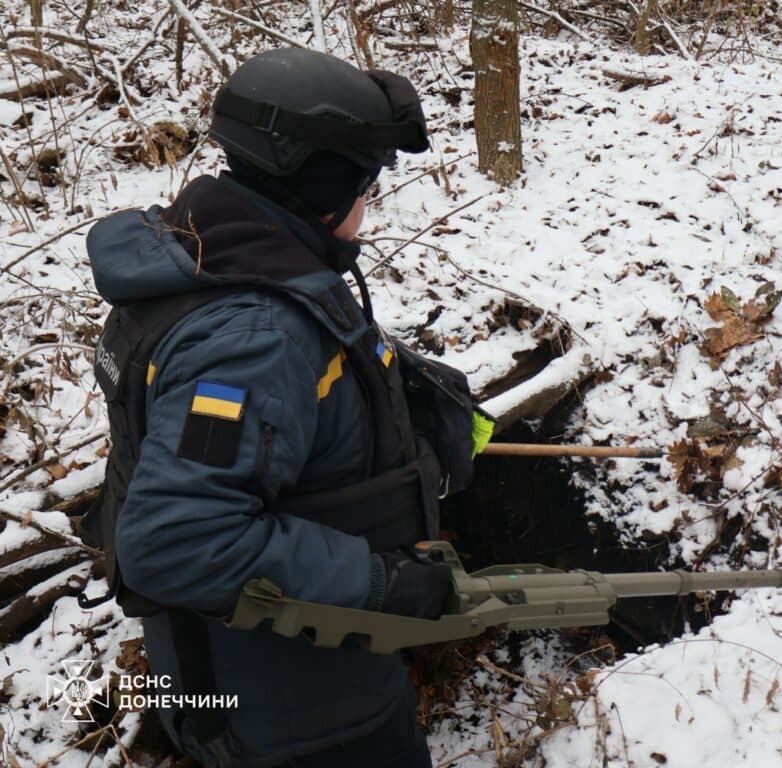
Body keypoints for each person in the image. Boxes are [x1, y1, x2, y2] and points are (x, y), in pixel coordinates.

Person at [80, 48, 487, 768]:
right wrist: (382, 582)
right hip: (302, 717)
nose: (370, 206)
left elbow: (267, 415)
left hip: (259, 685)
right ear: (327, 188)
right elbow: (180, 539)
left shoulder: (214, 251)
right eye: (369, 184)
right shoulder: (249, 340)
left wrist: (404, 400)